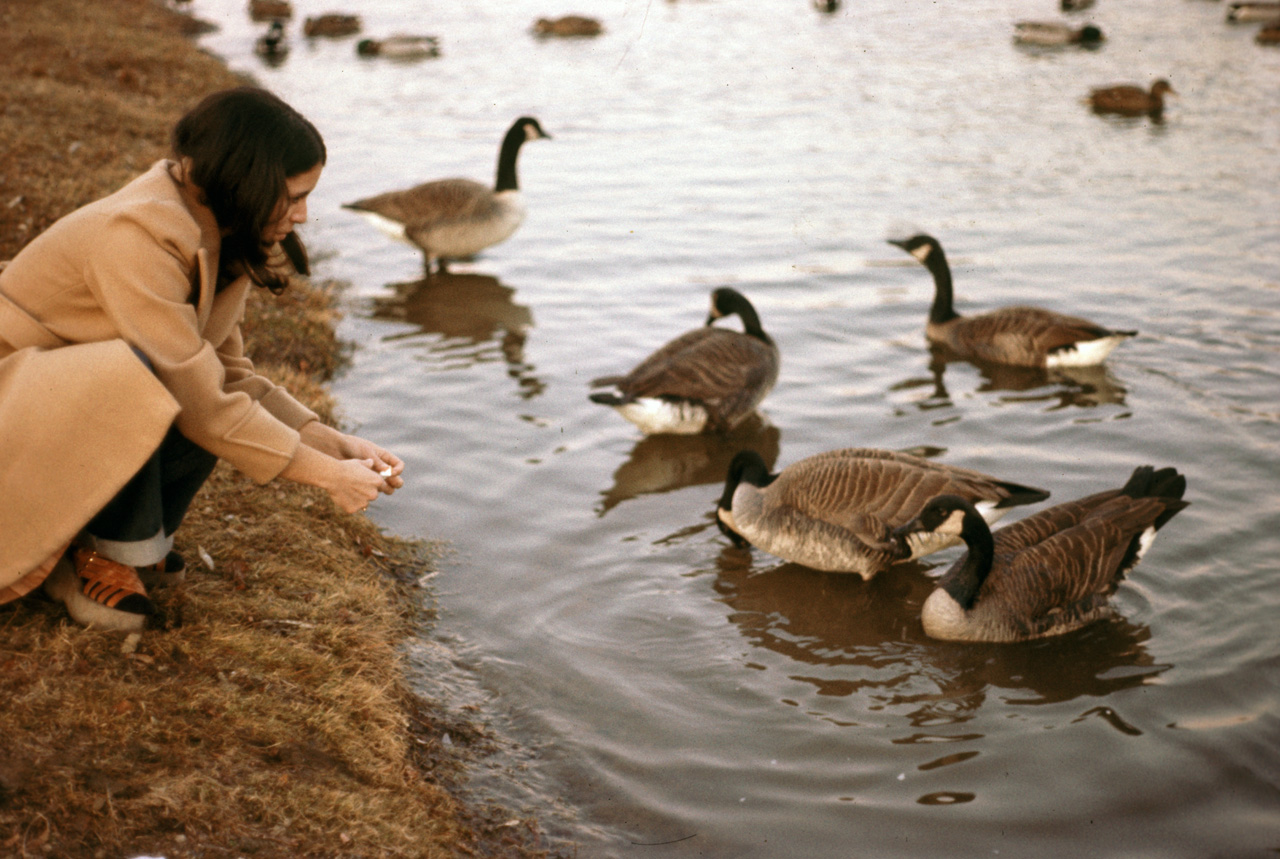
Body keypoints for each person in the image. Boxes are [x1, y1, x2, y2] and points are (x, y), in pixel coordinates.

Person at [0, 87, 404, 632]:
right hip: (13, 401)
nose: (305, 216)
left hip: (57, 399)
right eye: (293, 196)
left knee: (166, 375)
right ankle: (100, 554)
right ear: (245, 180)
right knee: (139, 375)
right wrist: (329, 477)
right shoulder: (137, 234)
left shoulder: (219, 231)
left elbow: (227, 375)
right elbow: (197, 394)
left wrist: (334, 443)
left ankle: (119, 545)